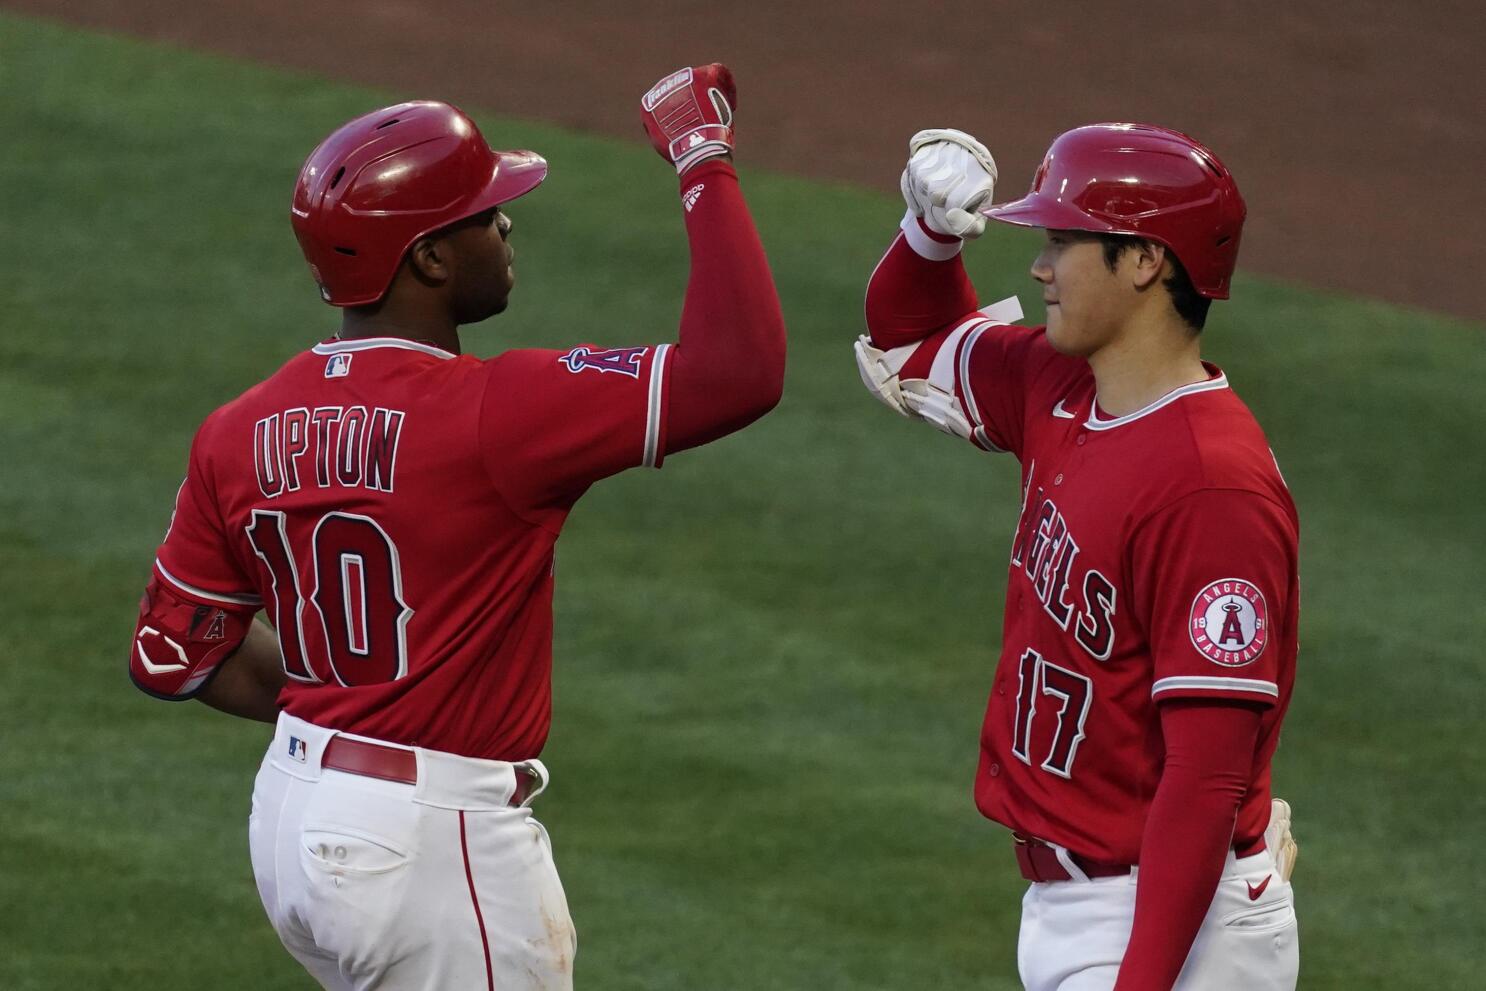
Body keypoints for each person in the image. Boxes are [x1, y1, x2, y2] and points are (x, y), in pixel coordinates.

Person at [127, 63, 784, 990]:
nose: (506, 221)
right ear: (430, 259)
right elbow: (741, 369)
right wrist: (701, 154)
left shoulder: (236, 429)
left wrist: (343, 713)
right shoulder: (498, 411)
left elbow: (174, 654)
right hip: (428, 845)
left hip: (291, 822)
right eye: (485, 212)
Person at [855, 124, 1300, 989]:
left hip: (1172, 916)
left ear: (1143, 262)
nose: (1040, 266)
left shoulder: (1213, 489)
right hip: (1081, 901)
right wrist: (930, 233)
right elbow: (908, 342)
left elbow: (1206, 778)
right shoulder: (1061, 387)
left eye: (1063, 240)